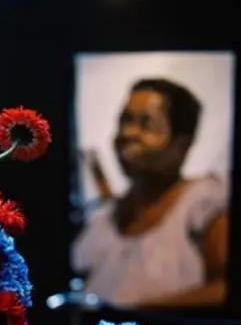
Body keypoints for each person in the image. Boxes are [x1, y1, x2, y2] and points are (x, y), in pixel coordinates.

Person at [71, 78, 229, 308]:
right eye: (124, 121)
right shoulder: (105, 216)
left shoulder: (202, 203)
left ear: (182, 145)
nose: (127, 133)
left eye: (146, 125)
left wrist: (134, 316)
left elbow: (228, 288)